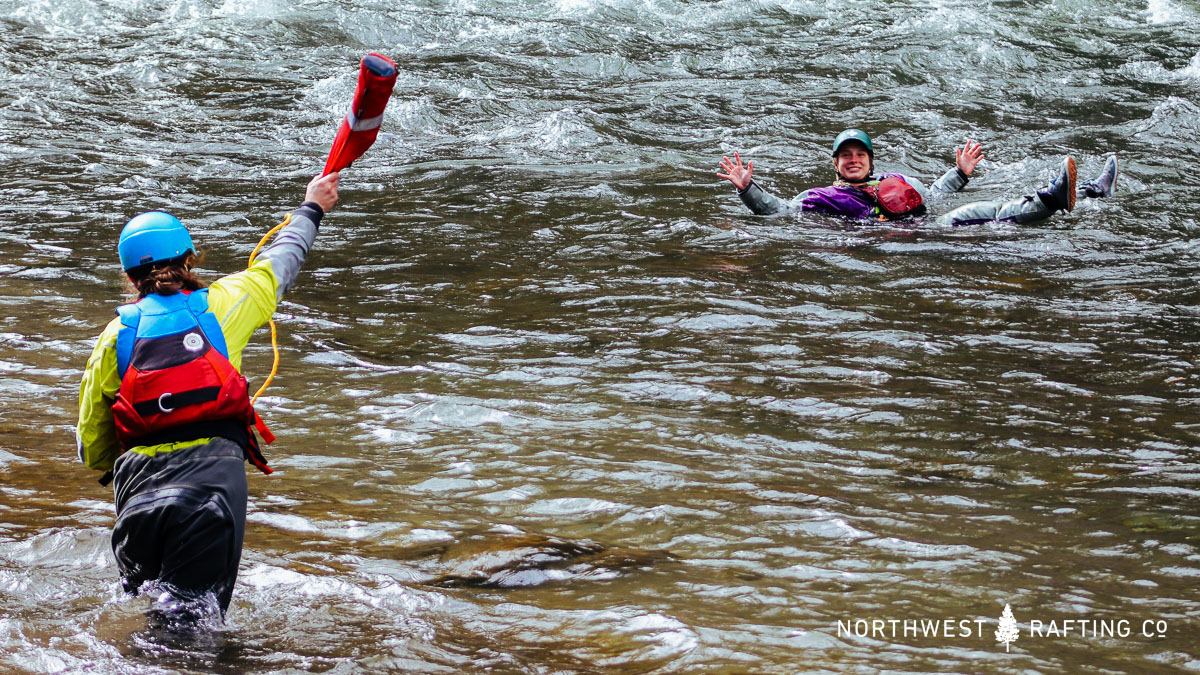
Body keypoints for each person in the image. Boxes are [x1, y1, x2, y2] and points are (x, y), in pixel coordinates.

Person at [76, 171, 339, 624]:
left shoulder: (114, 335)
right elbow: (282, 262)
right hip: (211, 493)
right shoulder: (228, 301)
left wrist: (117, 468)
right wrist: (312, 206)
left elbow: (91, 443)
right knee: (192, 632)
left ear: (129, 275)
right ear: (189, 259)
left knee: (151, 616)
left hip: (137, 495)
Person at [717, 129, 1118, 226]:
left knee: (975, 208)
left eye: (860, 155)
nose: (853, 160)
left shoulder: (893, 177)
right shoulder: (819, 196)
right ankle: (1053, 198)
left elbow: (935, 195)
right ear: (836, 164)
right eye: (846, 156)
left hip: (923, 225)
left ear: (870, 161)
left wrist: (959, 173)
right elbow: (778, 212)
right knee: (976, 213)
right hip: (902, 242)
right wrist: (748, 189)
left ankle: (1088, 191)